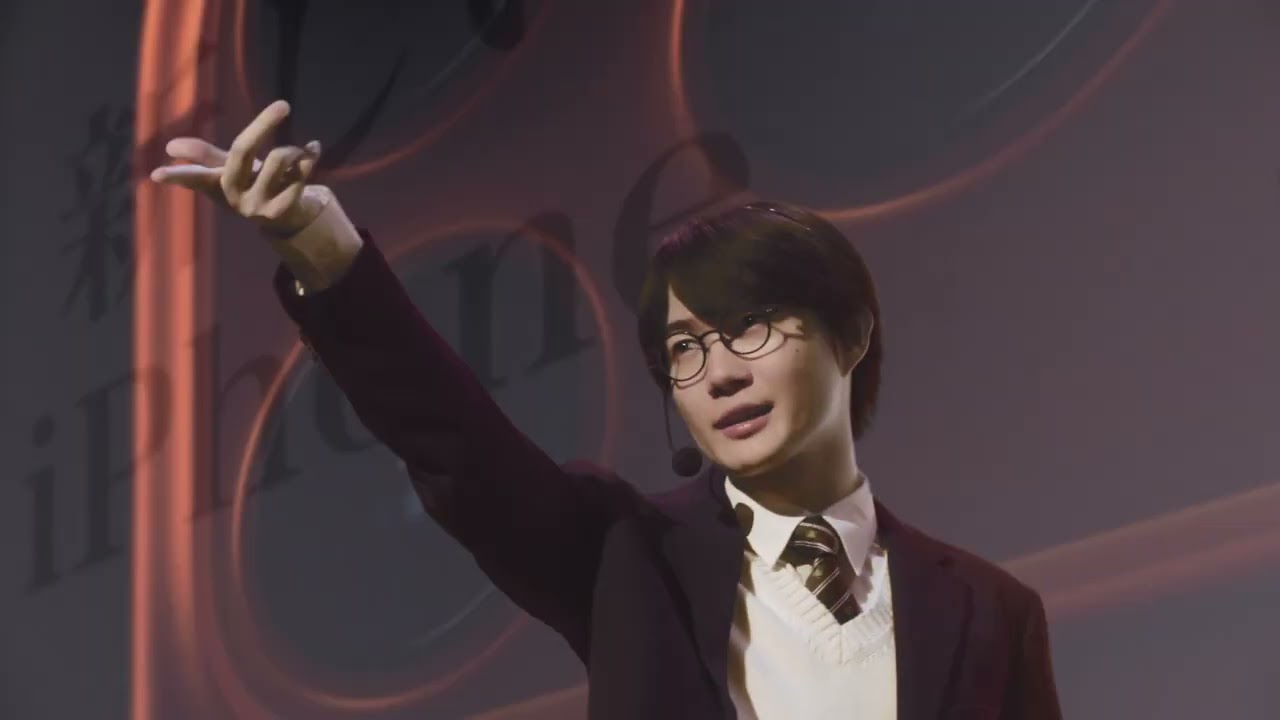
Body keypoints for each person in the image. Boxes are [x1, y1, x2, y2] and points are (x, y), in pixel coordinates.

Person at [151, 100, 1063, 719]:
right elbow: (459, 447)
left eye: (748, 329)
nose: (717, 374)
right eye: (685, 350)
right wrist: (321, 251)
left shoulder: (992, 610)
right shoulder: (624, 554)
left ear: (850, 334)